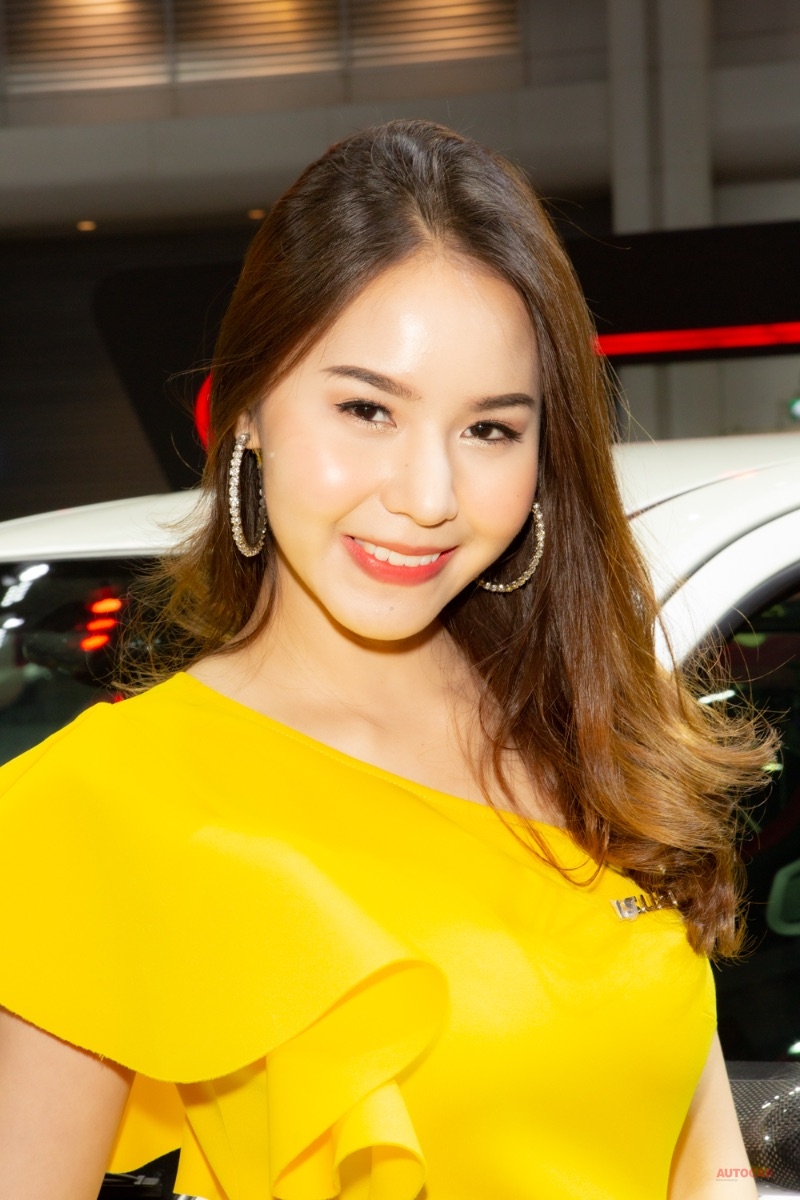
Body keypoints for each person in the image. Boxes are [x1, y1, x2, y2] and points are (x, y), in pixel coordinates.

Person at [0, 120, 773, 1200]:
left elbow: (705, 1160)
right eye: (367, 409)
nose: (427, 496)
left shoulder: (596, 737)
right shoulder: (95, 810)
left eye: (490, 430)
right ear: (248, 410)